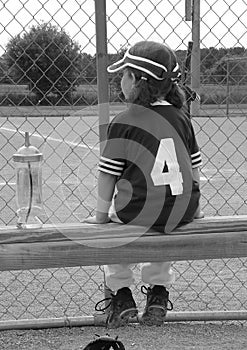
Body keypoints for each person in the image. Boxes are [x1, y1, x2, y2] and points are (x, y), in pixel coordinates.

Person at [85, 41, 203, 328]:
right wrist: (195, 209)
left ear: (138, 81)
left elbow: (108, 175)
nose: (120, 80)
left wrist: (101, 217)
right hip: (182, 209)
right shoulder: (181, 117)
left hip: (136, 212)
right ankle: (158, 291)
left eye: (124, 75)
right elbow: (195, 167)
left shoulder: (125, 121)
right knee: (165, 221)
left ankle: (122, 293)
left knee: (113, 233)